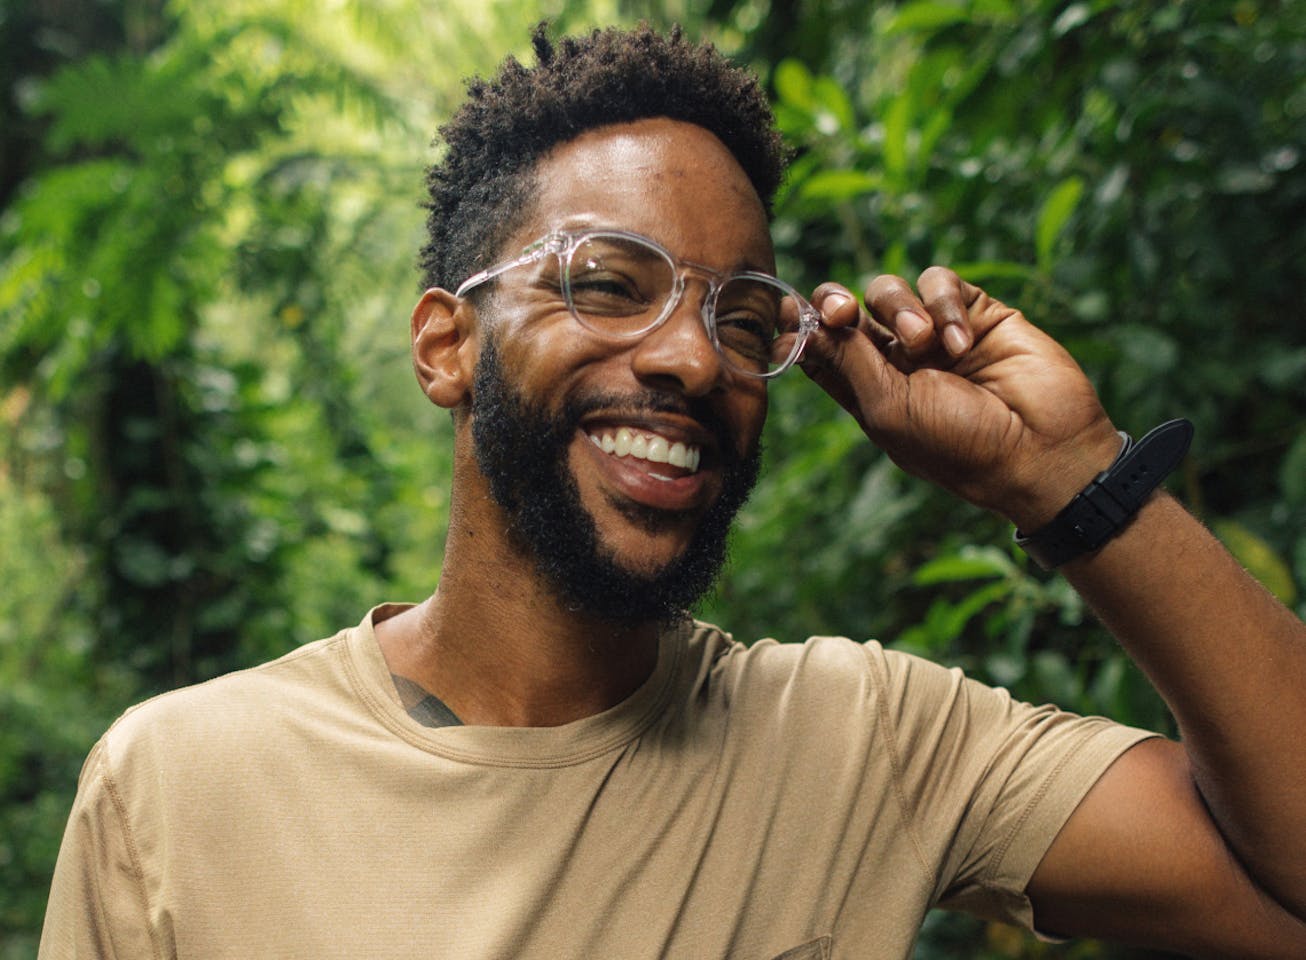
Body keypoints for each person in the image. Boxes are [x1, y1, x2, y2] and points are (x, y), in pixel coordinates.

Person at [39, 23, 1306, 960]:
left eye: (742, 314)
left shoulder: (865, 742)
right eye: (606, 281)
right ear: (447, 346)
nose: (694, 358)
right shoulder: (183, 783)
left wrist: (1068, 476)